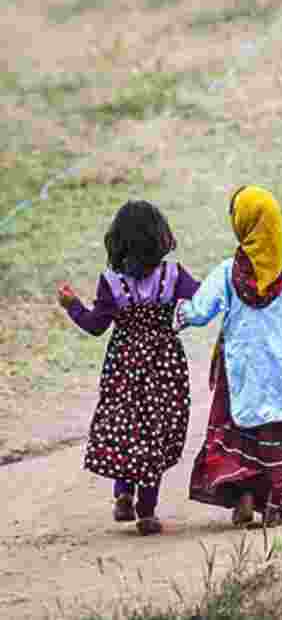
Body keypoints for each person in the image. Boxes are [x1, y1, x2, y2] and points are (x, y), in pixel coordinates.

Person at [173, 185, 282, 529]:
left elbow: (199, 312)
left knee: (242, 435)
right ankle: (277, 503)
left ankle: (244, 496)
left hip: (243, 372)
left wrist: (180, 311)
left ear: (241, 224)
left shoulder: (225, 273)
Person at [57, 200, 199, 536]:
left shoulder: (110, 282)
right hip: (165, 367)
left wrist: (72, 305)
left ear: (117, 242)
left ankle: (123, 493)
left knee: (127, 428)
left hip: (123, 365)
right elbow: (201, 302)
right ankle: (147, 513)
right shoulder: (174, 275)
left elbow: (95, 326)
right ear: (161, 237)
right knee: (156, 433)